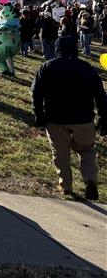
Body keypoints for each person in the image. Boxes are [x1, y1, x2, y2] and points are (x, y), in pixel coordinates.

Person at [31, 36, 107, 200]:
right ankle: (90, 179)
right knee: (87, 150)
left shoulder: (47, 67)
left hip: (55, 118)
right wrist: (103, 117)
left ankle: (66, 186)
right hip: (84, 118)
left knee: (60, 153)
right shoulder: (87, 68)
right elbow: (101, 96)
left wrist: (39, 115)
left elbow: (36, 94)